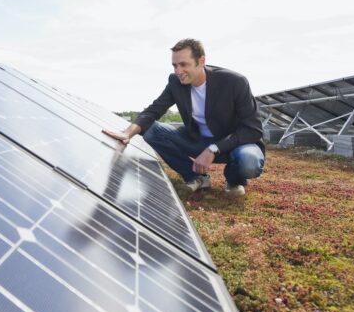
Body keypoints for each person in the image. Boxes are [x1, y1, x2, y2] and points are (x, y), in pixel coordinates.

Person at [103, 38, 265, 197]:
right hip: (197, 140)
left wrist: (214, 148)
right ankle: (196, 177)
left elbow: (253, 129)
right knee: (151, 129)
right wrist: (127, 133)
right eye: (175, 65)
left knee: (249, 161)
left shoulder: (234, 82)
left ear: (201, 61)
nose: (178, 71)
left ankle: (233, 180)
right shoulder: (176, 82)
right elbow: (153, 110)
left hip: (233, 143)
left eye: (183, 64)